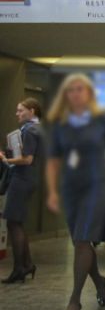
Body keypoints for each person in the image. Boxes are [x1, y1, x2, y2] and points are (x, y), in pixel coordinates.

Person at [46, 74, 105, 310]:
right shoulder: (60, 124)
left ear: (89, 93)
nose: (75, 93)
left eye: (80, 89)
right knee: (81, 242)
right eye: (70, 90)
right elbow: (53, 160)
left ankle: (75, 300)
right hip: (72, 187)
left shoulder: (102, 120)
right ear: (65, 95)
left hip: (98, 185)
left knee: (83, 239)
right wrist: (52, 191)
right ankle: (100, 283)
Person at [1, 98, 45, 283]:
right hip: (29, 179)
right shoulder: (37, 129)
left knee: (12, 222)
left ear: (32, 111)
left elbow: (27, 159)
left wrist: (5, 160)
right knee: (16, 222)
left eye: (21, 110)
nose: (17, 113)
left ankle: (20, 267)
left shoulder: (30, 130)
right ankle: (26, 265)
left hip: (22, 179)